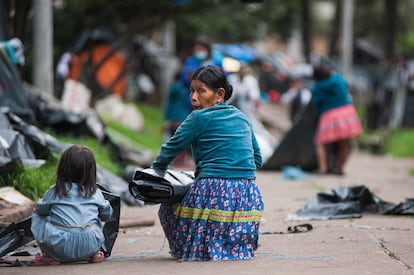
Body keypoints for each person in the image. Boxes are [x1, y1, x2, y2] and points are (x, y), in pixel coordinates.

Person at [152, 65, 264, 261]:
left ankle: (186, 248)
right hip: (249, 196)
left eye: (201, 90)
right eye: (192, 91)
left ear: (219, 94)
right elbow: (258, 160)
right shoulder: (242, 117)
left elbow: (170, 149)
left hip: (213, 190)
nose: (194, 97)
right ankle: (234, 248)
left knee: (168, 207)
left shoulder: (198, 118)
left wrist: (156, 171)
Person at [29, 145, 113, 265]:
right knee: (96, 215)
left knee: (38, 212)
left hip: (59, 246)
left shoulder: (55, 191)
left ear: (62, 169)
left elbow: (41, 210)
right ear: (91, 171)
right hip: (90, 245)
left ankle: (48, 256)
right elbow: (107, 215)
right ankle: (95, 254)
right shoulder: (95, 192)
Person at [310, 65, 363, 175]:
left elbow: (316, 102)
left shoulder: (317, 87)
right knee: (343, 143)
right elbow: (345, 86)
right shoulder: (338, 79)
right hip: (346, 112)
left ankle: (323, 169)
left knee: (321, 143)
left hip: (329, 114)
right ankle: (340, 168)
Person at [163, 70, 193, 168]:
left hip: (182, 118)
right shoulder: (177, 87)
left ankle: (178, 161)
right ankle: (172, 162)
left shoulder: (189, 90)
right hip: (175, 119)